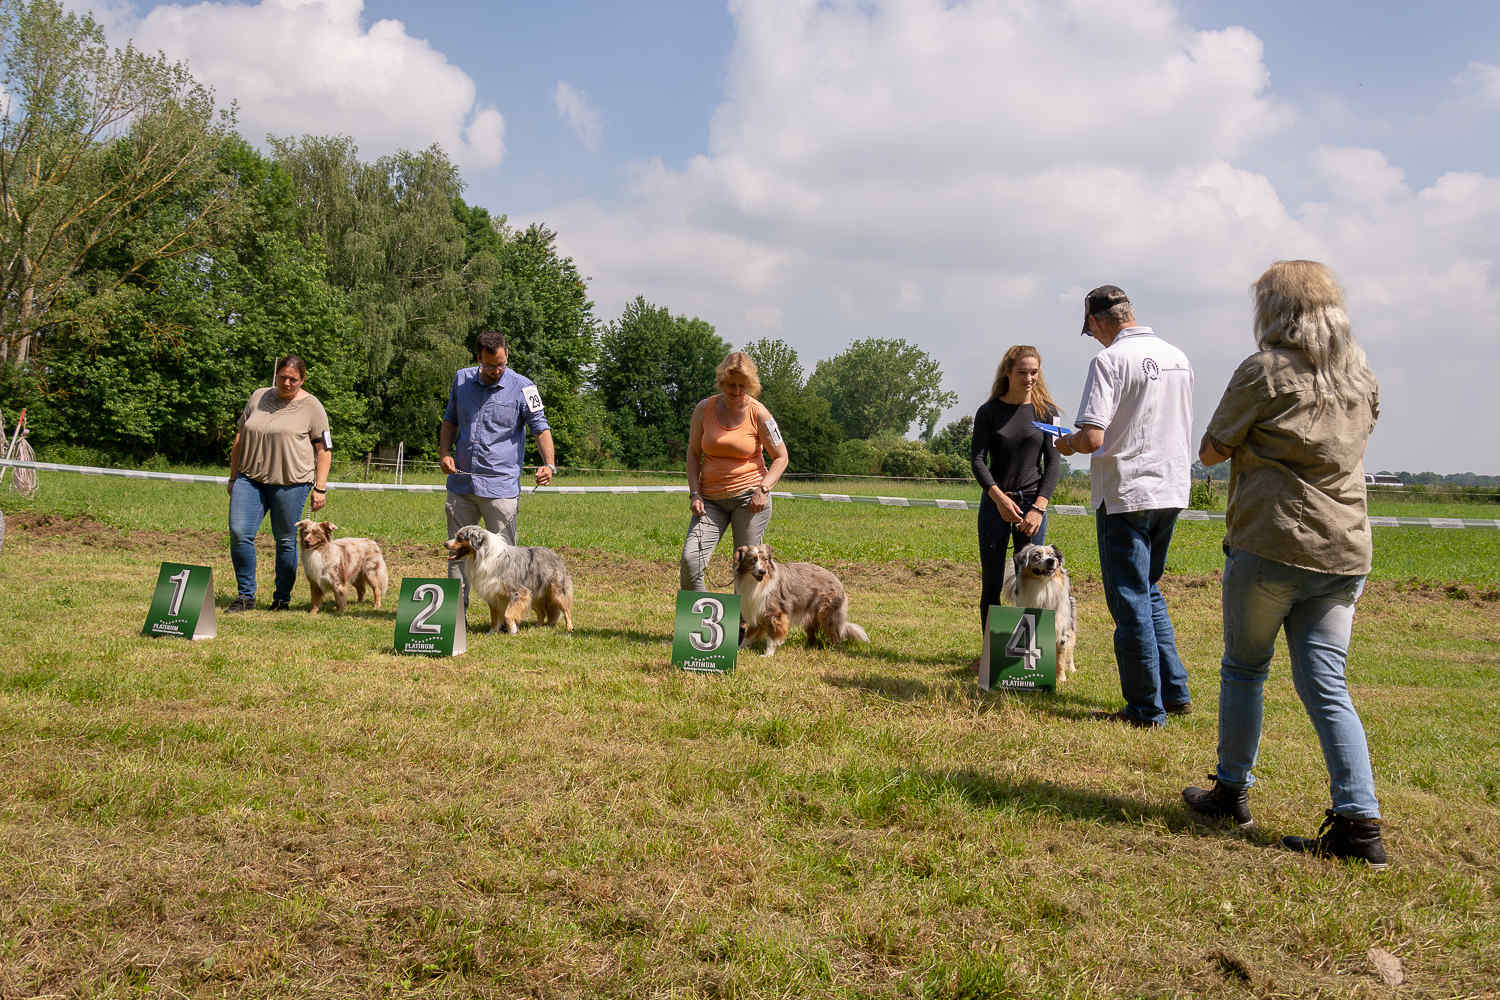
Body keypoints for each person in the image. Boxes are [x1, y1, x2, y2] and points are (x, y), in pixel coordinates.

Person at [1182, 260, 1387, 867]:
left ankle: (1232, 791)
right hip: (1344, 549)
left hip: (1272, 543)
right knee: (1328, 685)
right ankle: (1359, 822)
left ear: (1273, 312)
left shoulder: (1263, 372)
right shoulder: (1361, 377)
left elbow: (1212, 450)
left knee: (1245, 668)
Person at [1055, 285, 1193, 727]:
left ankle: (1144, 709)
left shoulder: (1109, 361)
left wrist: (1066, 443)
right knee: (1149, 591)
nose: (1093, 338)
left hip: (1126, 494)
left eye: (1091, 331)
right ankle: (1174, 692)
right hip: (1170, 490)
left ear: (1096, 322)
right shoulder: (1178, 357)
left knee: (1130, 601)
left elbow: (1093, 437)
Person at [439, 330, 556, 605]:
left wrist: (549, 463)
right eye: (490, 365)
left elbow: (541, 428)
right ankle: (455, 618)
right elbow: (449, 420)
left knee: (506, 560)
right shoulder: (461, 379)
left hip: (501, 488)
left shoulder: (526, 387)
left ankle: (507, 617)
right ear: (478, 358)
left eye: (501, 364)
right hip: (461, 484)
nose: (497, 370)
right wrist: (444, 453)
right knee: (458, 556)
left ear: (507, 355)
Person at [970, 345, 1063, 639]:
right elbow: (976, 460)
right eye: (1022, 372)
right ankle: (990, 652)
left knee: (1034, 582)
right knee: (993, 582)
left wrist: (1038, 508)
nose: (1029, 378)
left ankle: (1032, 654)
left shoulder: (1048, 413)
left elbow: (1054, 464)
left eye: (1034, 372)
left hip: (1032, 507)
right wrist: (998, 498)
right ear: (1008, 373)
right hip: (996, 505)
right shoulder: (988, 412)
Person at [226, 356, 331, 612]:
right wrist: (232, 476)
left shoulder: (312, 406)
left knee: (285, 540)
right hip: (249, 478)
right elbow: (240, 437)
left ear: (302, 380)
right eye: (282, 377)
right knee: (240, 533)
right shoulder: (258, 396)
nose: (286, 383)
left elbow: (325, 449)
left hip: (291, 483)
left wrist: (320, 486)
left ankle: (282, 598)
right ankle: (245, 596)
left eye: (293, 379)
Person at [680, 352, 790, 591]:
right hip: (710, 501)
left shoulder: (760, 413)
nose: (737, 391)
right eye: (731, 385)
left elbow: (781, 457)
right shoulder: (703, 409)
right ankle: (698, 622)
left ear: (751, 385)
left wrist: (763, 489)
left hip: (750, 500)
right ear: (721, 382)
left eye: (743, 386)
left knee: (749, 569)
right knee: (691, 561)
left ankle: (743, 626)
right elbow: (693, 453)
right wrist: (695, 494)